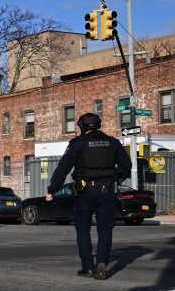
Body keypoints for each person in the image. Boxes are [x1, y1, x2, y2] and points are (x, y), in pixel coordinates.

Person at [45, 112, 132, 279]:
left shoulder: (78, 143)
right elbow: (126, 165)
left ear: (81, 127)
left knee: (83, 229)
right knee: (105, 229)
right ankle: (102, 262)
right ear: (98, 125)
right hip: (107, 190)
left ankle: (88, 267)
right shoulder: (112, 142)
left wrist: (52, 189)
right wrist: (117, 178)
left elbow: (63, 168)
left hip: (85, 191)